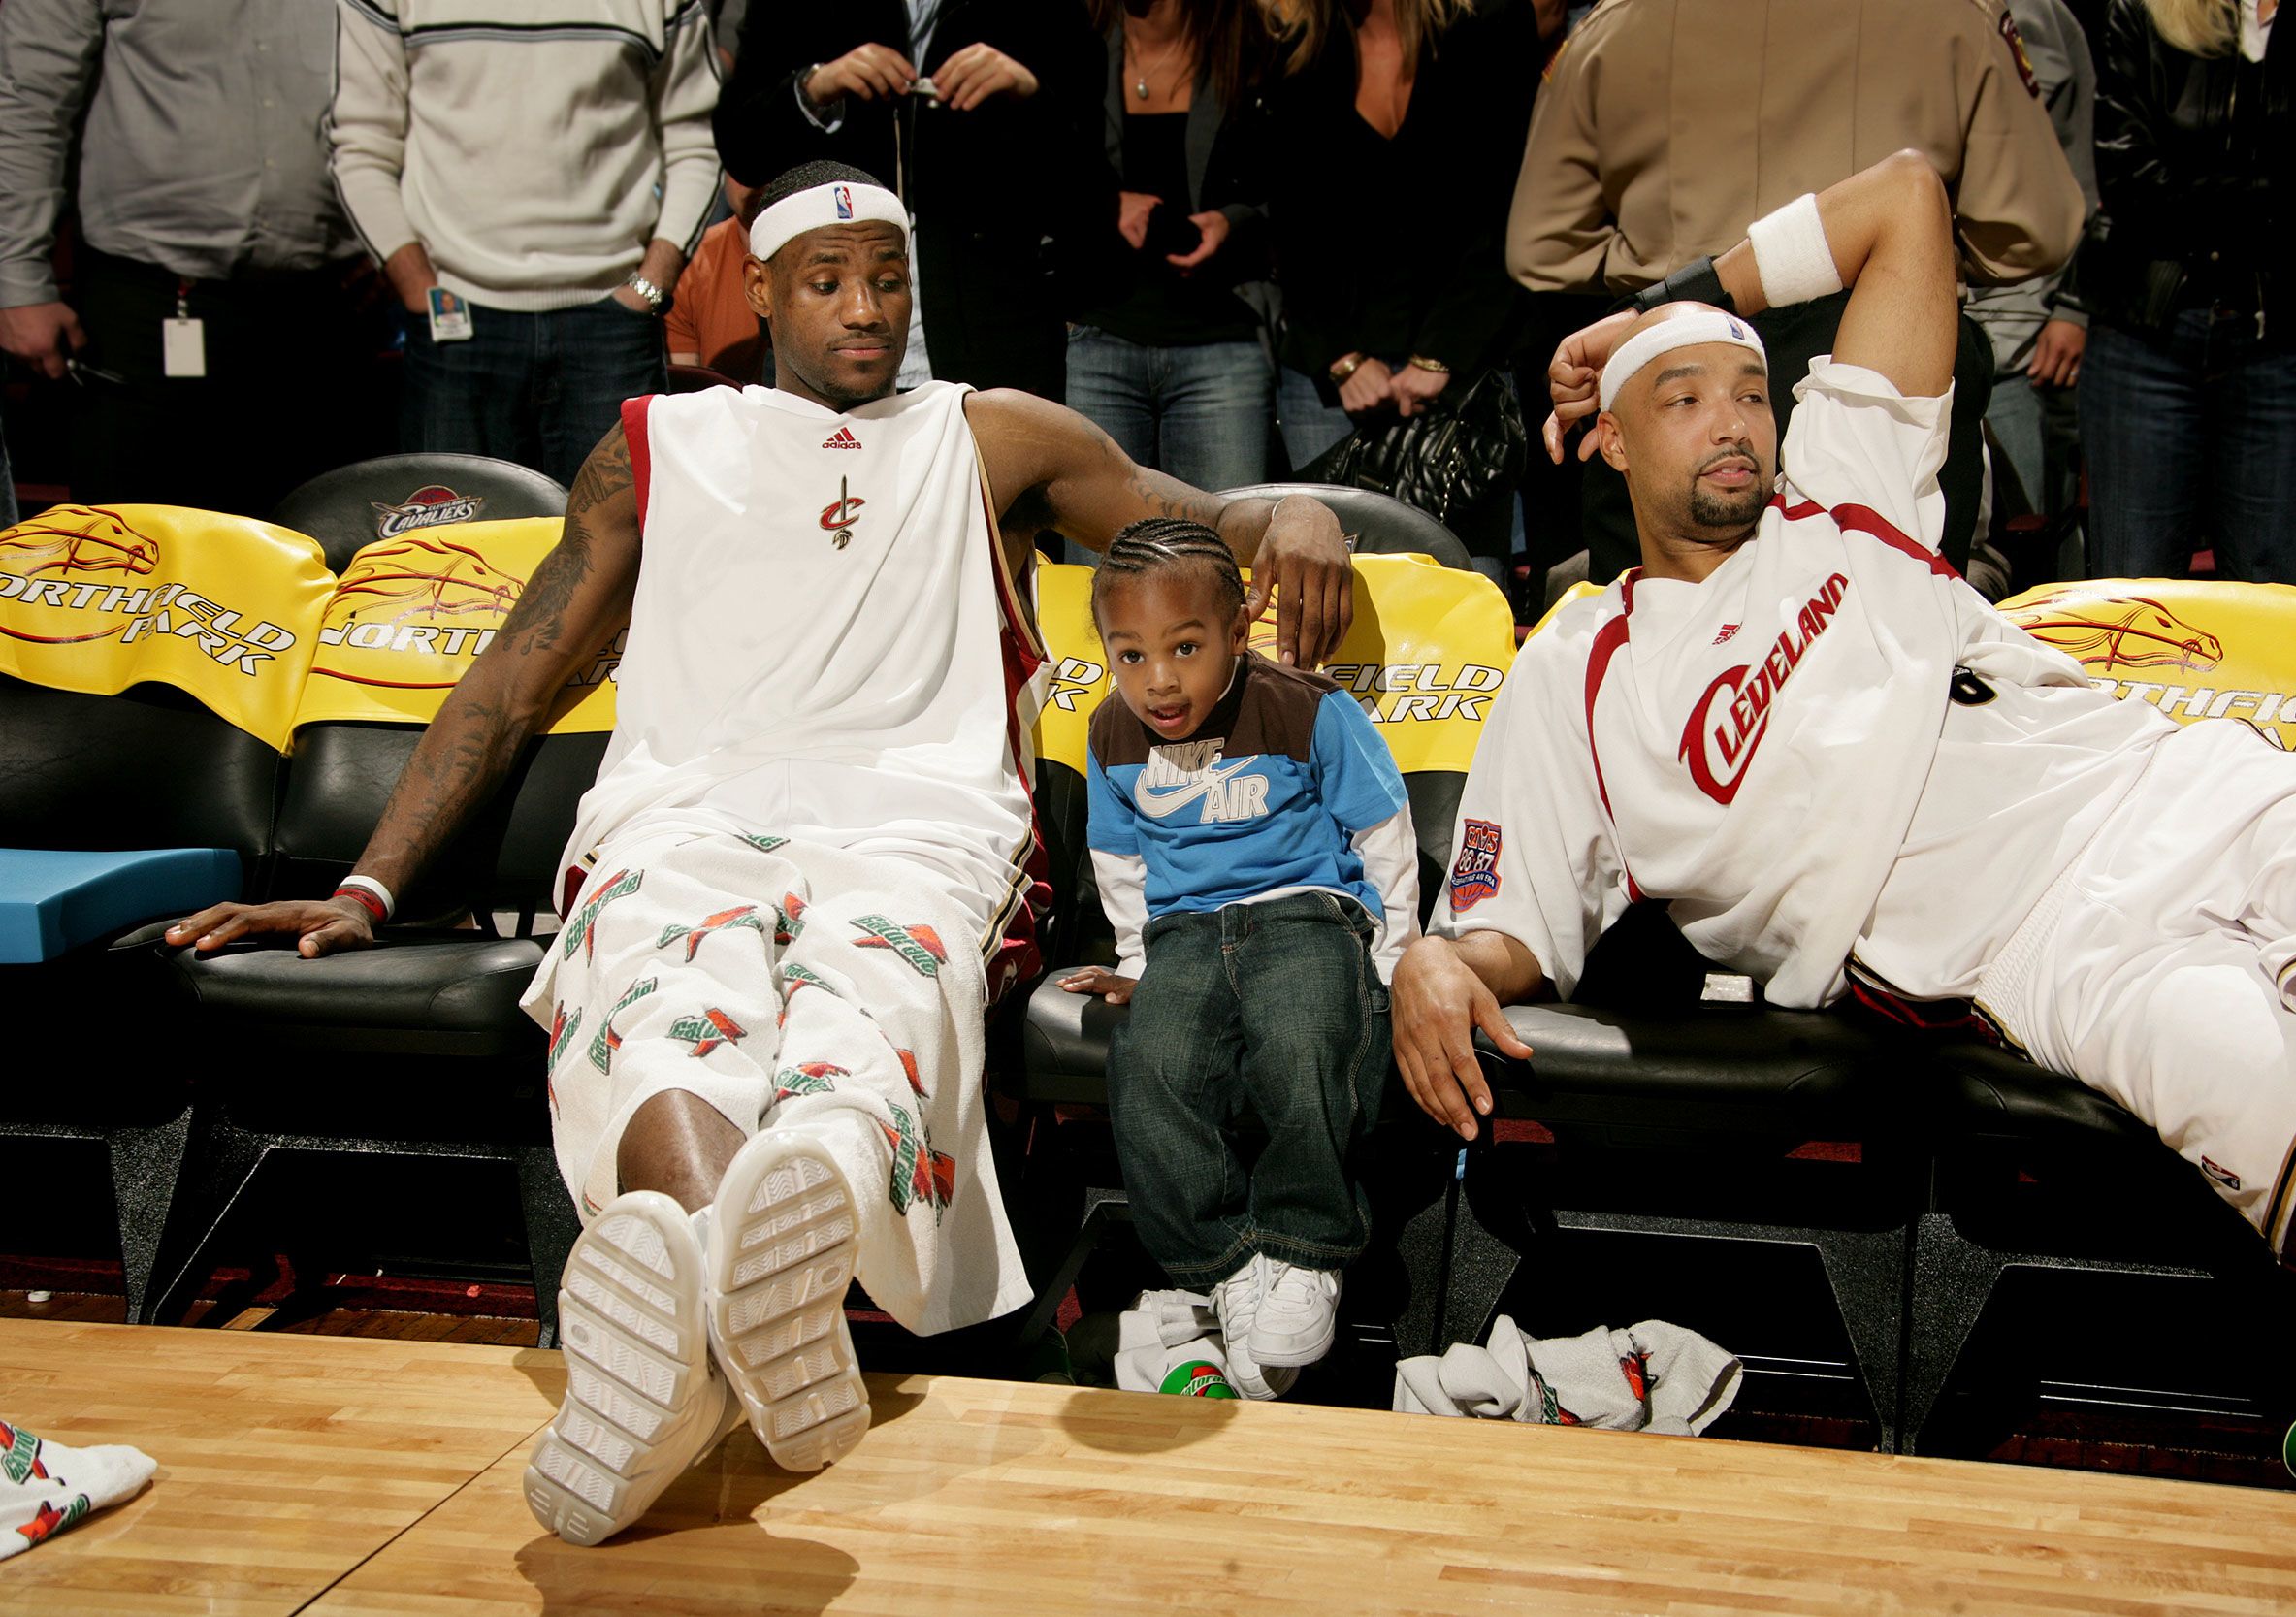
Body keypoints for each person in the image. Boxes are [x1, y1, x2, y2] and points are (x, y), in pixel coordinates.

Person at [162, 162, 1355, 1548]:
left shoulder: (993, 435)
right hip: (686, 810)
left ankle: (692, 1332)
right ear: (760, 291)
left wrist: (1300, 512)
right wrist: (371, 885)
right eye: (829, 282)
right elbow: (517, 674)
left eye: (889, 279)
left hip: (920, 819)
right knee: (660, 1000)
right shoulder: (659, 443)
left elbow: (1198, 522)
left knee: (876, 1004)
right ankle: (724, 1296)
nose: (866, 310)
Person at [1394, 151, 2296, 1282]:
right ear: (1613, 441)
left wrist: (1666, 302)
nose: (1731, 421)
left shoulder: (1845, 491)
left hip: (2168, 784)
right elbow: (1517, 923)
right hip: (2038, 952)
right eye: (1681, 399)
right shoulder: (1580, 657)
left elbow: (1903, 198)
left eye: (1746, 393)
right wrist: (1440, 962)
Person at [1503, 0, 2085, 583]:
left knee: (1650, 647)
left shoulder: (1612, 26)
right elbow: (2033, 232)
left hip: (1672, 369)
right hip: (1881, 353)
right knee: (1890, 626)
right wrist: (1912, 261)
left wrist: (1656, 303)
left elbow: (1544, 249)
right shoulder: (1953, 14)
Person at [1059, 517, 1416, 1398]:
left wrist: (1397, 952)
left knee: (1305, 1042)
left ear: (1239, 630)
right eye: (1130, 654)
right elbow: (1122, 862)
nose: (1160, 680)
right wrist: (1139, 960)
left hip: (1305, 914)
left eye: (1185, 647)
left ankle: (1303, 1247)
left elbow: (1382, 827)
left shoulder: (1308, 705)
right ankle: (1227, 1263)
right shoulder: (1112, 733)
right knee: (1153, 1069)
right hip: (1183, 933)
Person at [0, 0, 381, 517]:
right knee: (132, 558)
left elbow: (423, 83)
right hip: (143, 307)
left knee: (319, 559)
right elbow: (25, 101)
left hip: (326, 310)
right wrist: (16, 280)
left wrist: (395, 241)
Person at [2077, 0, 2296, 587]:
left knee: (2275, 589)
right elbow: (2134, 189)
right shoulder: (2144, 12)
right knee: (2132, 587)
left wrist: (2196, 178)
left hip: (2292, 336)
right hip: (2148, 333)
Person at [328, 0, 722, 487]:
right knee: (455, 553)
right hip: (457, 323)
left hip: (612, 326)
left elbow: (697, 143)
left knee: (624, 553)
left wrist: (647, 289)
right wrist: (422, 291)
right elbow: (362, 145)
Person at [1253, 0, 1537, 563]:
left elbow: (1513, 204)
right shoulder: (1293, 38)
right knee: (1336, 604)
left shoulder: (1490, 22)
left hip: (1466, 364)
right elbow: (1291, 220)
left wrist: (1441, 355)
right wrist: (1342, 357)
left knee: (1467, 594)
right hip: (1330, 379)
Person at [713, 0, 1106, 401]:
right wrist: (813, 89)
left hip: (996, 348)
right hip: (824, 357)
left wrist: (1031, 97)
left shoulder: (1046, 15)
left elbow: (1092, 192)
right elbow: (741, 149)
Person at [1064, 0, 1277, 494]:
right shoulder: (1079, 41)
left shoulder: (1250, 43)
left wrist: (1233, 223)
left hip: (1221, 345)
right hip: (1099, 338)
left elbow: (1298, 190)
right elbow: (1039, 170)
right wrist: (1106, 203)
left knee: (1224, 552)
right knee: (1098, 560)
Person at [1966, 0, 2097, 535]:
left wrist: (2075, 308)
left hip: (2022, 334)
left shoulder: (2039, 14)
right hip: (1909, 324)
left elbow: (2085, 173)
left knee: (2037, 542)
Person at [666, 178, 773, 385]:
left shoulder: (840, 246)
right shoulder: (691, 266)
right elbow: (689, 396)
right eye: (738, 161)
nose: (754, 177)